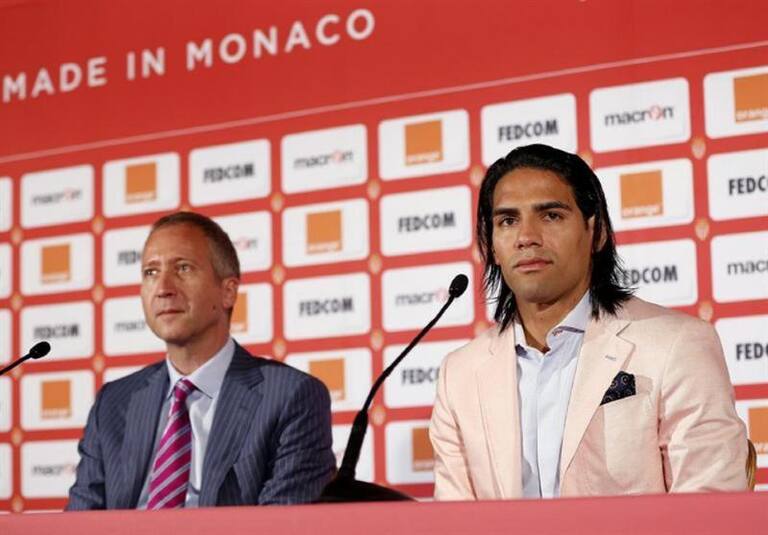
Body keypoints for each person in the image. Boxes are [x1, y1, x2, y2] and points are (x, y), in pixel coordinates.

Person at [429, 144, 747, 499]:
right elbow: (453, 518)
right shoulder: (459, 374)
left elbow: (710, 506)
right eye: (508, 221)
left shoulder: (678, 345)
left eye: (551, 216)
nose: (526, 237)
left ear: (596, 232)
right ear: (491, 245)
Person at [67, 212, 335, 509]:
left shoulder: (290, 397)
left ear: (228, 292)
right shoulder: (114, 402)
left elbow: (282, 524)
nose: (163, 288)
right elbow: (80, 521)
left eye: (183, 268)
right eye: (151, 272)